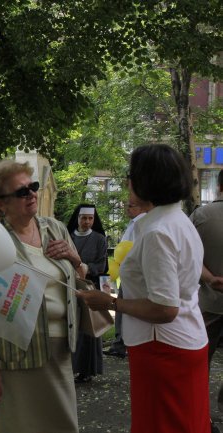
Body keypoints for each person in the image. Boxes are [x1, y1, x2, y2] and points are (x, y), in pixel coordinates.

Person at [79, 144, 209, 433]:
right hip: (185, 339)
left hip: (162, 348)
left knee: (162, 424)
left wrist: (110, 302)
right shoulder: (177, 220)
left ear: (145, 180)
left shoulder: (157, 232)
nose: (128, 181)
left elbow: (164, 308)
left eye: (131, 174)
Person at [0, 159, 83, 433]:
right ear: (0, 203)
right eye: (22, 191)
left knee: (61, 425)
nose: (32, 194)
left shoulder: (55, 229)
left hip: (59, 351)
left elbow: (82, 275)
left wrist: (74, 257)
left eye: (32, 186)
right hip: (15, 357)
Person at [190, 169, 223, 417]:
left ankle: (200, 415)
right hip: (208, 302)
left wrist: (210, 278)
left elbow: (189, 255)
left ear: (219, 187)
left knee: (200, 361)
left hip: (209, 302)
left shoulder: (201, 215)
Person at [66, 204, 108, 383]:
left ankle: (86, 370)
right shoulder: (67, 237)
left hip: (89, 286)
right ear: (77, 218)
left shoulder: (99, 239)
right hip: (68, 285)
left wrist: (84, 267)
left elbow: (102, 265)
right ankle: (67, 368)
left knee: (88, 329)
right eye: (84, 218)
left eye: (90, 218)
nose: (87, 222)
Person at [104, 199, 148, 358]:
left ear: (141, 206)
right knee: (121, 307)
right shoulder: (134, 223)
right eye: (126, 205)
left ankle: (121, 343)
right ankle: (120, 342)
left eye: (131, 206)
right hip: (126, 271)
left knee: (122, 306)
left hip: (133, 273)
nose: (127, 209)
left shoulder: (141, 223)